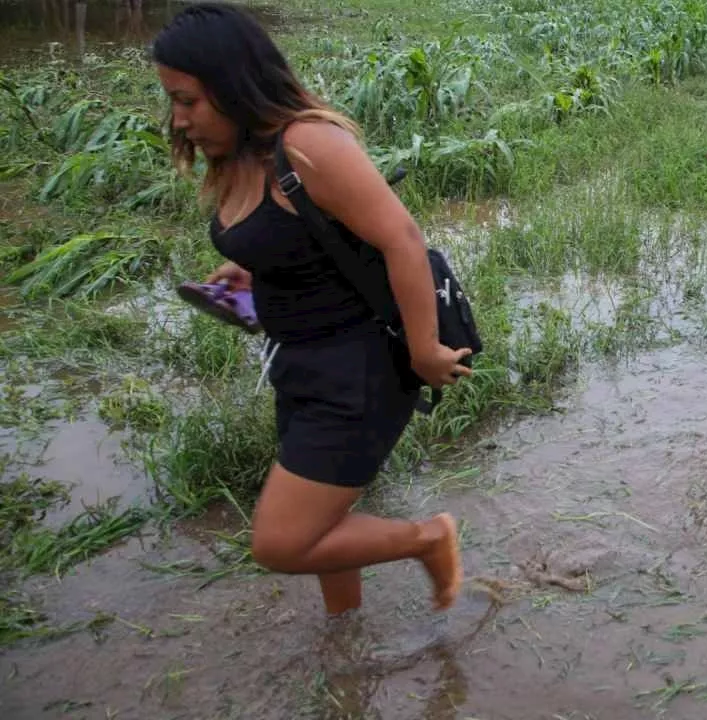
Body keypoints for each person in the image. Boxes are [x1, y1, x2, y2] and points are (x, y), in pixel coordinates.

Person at [151, 2, 471, 616]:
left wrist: (425, 349)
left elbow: (401, 238)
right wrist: (252, 267)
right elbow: (301, 234)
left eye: (188, 100)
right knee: (326, 523)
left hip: (358, 373)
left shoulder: (307, 144)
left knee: (280, 542)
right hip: (300, 366)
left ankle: (430, 537)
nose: (179, 118)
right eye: (172, 100)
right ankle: (344, 636)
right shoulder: (241, 153)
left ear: (231, 82)